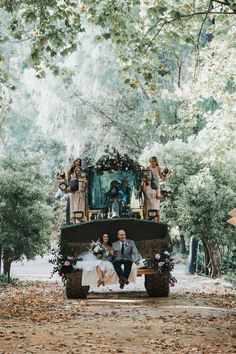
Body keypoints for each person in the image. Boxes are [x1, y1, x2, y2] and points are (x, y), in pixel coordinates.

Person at [67, 158, 87, 222]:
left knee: (81, 207)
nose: (77, 162)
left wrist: (84, 181)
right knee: (74, 207)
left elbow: (85, 186)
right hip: (74, 193)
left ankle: (81, 219)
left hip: (81, 194)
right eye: (76, 161)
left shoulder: (83, 176)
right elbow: (69, 183)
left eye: (79, 162)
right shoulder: (71, 173)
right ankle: (74, 221)